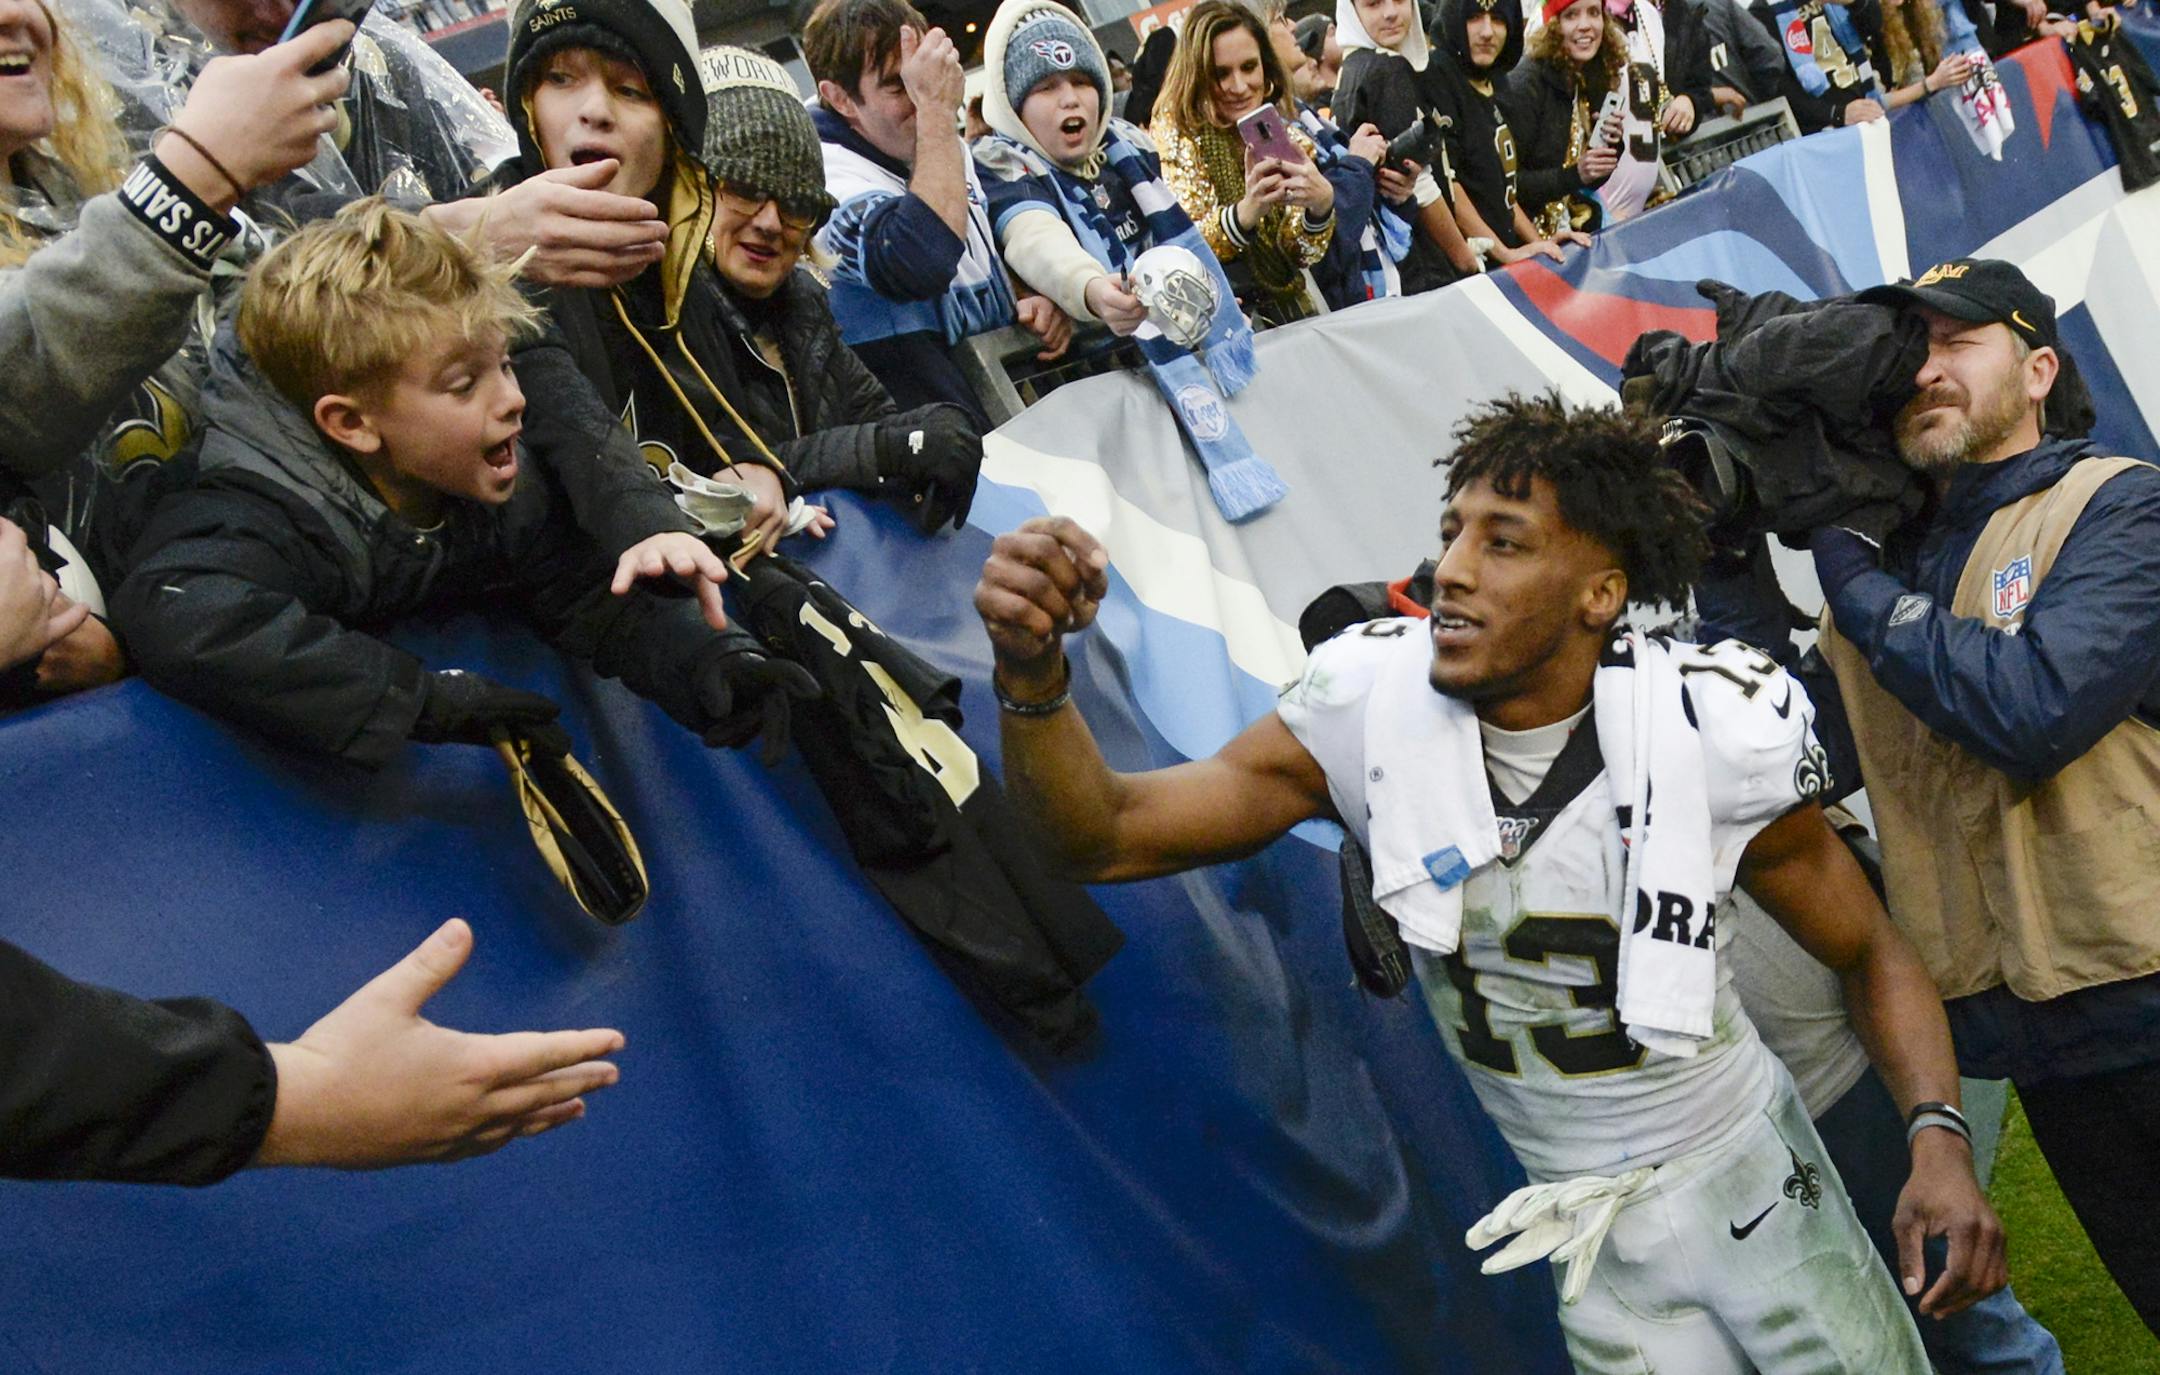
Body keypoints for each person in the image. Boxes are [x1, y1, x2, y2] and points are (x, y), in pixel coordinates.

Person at [974, 391, 2007, 1372]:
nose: (1454, 568)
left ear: (1600, 592)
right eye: (1455, 530)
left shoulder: (1706, 723)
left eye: (1503, 541)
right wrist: (1031, 677)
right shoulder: (1364, 704)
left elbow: (1868, 946)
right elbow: (1104, 836)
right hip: (1578, 1221)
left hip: (1754, 1183)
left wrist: (1939, 1137)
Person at [1701, 258, 2160, 1336]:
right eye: (1909, 349)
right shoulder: (1888, 575)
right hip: (2052, 1050)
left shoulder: (2119, 505)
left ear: (2039, 367)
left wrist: (1847, 567)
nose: (1926, 369)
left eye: (1959, 341)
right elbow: (1783, 750)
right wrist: (1726, 559)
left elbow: (2032, 706)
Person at [109, 200, 806, 777]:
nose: (512, 399)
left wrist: (709, 662)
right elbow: (176, 608)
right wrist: (419, 700)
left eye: (506, 364)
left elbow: (581, 591)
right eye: (464, 383)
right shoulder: (259, 511)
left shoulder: (491, 479)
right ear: (352, 422)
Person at [490, 0, 982, 540]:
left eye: (796, 205)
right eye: (744, 191)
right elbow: (709, 468)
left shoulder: (803, 307)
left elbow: (880, 421)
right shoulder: (660, 312)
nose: (770, 223)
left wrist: (938, 429)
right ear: (693, 188)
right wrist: (887, 450)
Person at [0, 2, 352, 705]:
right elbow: (19, 389)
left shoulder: (78, 180)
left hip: (238, 669)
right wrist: (192, 180)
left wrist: (446, 241)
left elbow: (259, 307)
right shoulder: (147, 192)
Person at [802, 0, 1070, 423]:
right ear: (840, 98)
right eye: (898, 85)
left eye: (924, 76)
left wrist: (1023, 293)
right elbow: (918, 259)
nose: (921, 94)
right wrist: (935, 113)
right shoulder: (822, 176)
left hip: (1007, 423)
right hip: (922, 452)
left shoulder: (939, 139)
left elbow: (985, 238)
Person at [1149, 0, 1337, 327]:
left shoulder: (1286, 134)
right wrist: (1246, 213)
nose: (1239, 86)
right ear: (1197, 74)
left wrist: (1320, 207)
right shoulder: (1177, 131)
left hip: (1299, 308)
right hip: (1230, 319)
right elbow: (1187, 243)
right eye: (1221, 73)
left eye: (1249, 67)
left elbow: (1299, 253)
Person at [1507, 0, 1711, 232]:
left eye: (1594, 13)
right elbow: (1505, 184)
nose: (1585, 25)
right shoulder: (1528, 82)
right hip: (1543, 238)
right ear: (1553, 26)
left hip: (1596, 224)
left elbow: (1589, 173)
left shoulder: (1591, 70)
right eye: (1572, 15)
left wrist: (1611, 146)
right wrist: (1583, 185)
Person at [1328, 0, 1484, 291]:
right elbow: (1420, 185)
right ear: (1351, 11)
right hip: (1420, 265)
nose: (1390, 13)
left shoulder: (1351, 68)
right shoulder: (1386, 68)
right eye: (1373, 4)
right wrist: (1467, 262)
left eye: (1400, 0)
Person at [1427, 0, 1587, 266]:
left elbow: (1504, 192)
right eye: (1475, 17)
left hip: (1502, 255)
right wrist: (1503, 253)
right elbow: (1448, 186)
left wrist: (1539, 244)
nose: (1488, 31)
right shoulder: (1438, 77)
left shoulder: (1496, 80)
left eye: (1499, 19)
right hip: (1468, 270)